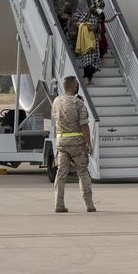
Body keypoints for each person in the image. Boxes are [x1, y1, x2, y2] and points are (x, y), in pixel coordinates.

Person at [51, 76, 95, 213]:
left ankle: (59, 203)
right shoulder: (78, 103)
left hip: (62, 144)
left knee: (61, 174)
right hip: (77, 145)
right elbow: (84, 126)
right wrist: (89, 144)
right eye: (77, 84)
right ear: (73, 86)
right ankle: (89, 204)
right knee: (83, 173)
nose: (78, 86)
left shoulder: (56, 101)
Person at [73, 0, 116, 84]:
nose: (100, 9)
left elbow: (99, 27)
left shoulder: (98, 16)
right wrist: (87, 26)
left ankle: (89, 78)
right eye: (99, 7)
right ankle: (86, 77)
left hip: (95, 41)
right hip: (86, 40)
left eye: (101, 8)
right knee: (88, 60)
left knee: (94, 61)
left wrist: (98, 32)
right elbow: (78, 24)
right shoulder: (87, 14)